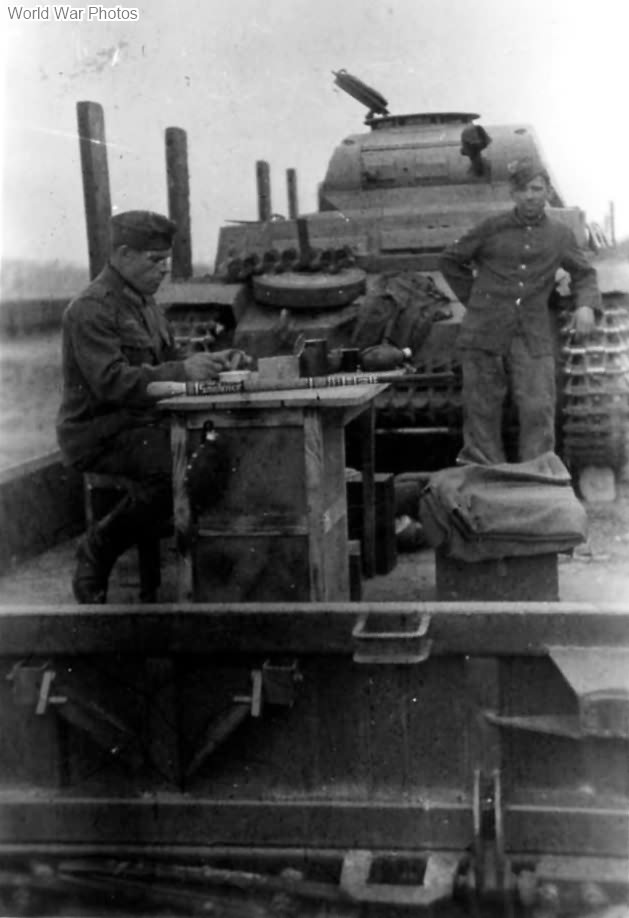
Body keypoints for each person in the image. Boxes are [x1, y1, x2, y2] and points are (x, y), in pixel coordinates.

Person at [56, 210, 243, 604]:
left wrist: (209, 360)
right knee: (180, 468)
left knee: (219, 452)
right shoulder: (91, 308)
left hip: (142, 423)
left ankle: (206, 552)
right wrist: (182, 369)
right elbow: (111, 382)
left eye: (166, 262)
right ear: (123, 254)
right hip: (100, 432)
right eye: (154, 261)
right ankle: (100, 546)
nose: (163, 270)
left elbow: (166, 356)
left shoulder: (145, 304)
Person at [439, 157, 601, 465]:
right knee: (481, 409)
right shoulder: (491, 228)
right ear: (512, 194)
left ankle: (537, 474)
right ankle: (483, 473)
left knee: (538, 408)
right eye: (523, 189)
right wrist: (476, 298)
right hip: (484, 333)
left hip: (532, 334)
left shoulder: (559, 235)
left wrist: (585, 304)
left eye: (537, 188)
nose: (530, 195)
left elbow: (584, 273)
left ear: (548, 192)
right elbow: (450, 259)